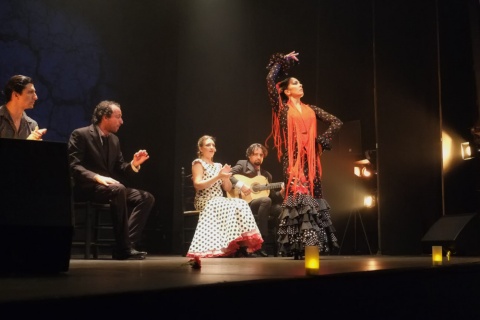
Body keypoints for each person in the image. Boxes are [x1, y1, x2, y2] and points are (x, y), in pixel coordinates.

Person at [265, 50, 343, 259]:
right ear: (287, 91)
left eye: (300, 83)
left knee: (314, 199)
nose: (301, 85)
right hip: (293, 160)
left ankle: (313, 247)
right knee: (299, 199)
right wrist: (283, 62)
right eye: (296, 83)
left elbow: (337, 122)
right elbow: (270, 80)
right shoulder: (282, 109)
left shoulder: (312, 109)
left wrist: (323, 139)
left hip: (312, 160)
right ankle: (297, 247)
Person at [68, 100, 155, 260]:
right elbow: (73, 166)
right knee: (118, 189)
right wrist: (97, 177)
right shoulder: (81, 134)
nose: (121, 121)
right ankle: (124, 248)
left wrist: (134, 164)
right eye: (118, 117)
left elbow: (120, 168)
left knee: (146, 198)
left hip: (109, 188)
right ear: (105, 117)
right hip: (86, 188)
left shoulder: (114, 140)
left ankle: (124, 245)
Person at [186, 135, 263, 258]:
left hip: (219, 200)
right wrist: (218, 176)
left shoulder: (218, 166)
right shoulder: (198, 163)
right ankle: (227, 246)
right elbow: (198, 184)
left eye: (213, 145)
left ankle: (240, 244)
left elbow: (226, 188)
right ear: (200, 148)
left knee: (240, 203)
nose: (211, 147)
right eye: (208, 145)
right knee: (227, 204)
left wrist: (226, 178)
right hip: (205, 200)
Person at [230, 143, 284, 257]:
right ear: (249, 156)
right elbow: (229, 175)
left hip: (262, 205)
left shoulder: (266, 175)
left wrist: (281, 193)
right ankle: (261, 243)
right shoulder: (242, 164)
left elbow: (272, 196)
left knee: (280, 209)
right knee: (266, 201)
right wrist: (242, 185)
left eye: (261, 155)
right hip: (245, 203)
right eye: (255, 154)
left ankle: (282, 246)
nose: (259, 157)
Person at [0, 75, 47, 140]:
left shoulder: (32, 125)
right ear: (16, 95)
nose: (35, 97)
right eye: (30, 92)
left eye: (34, 92)